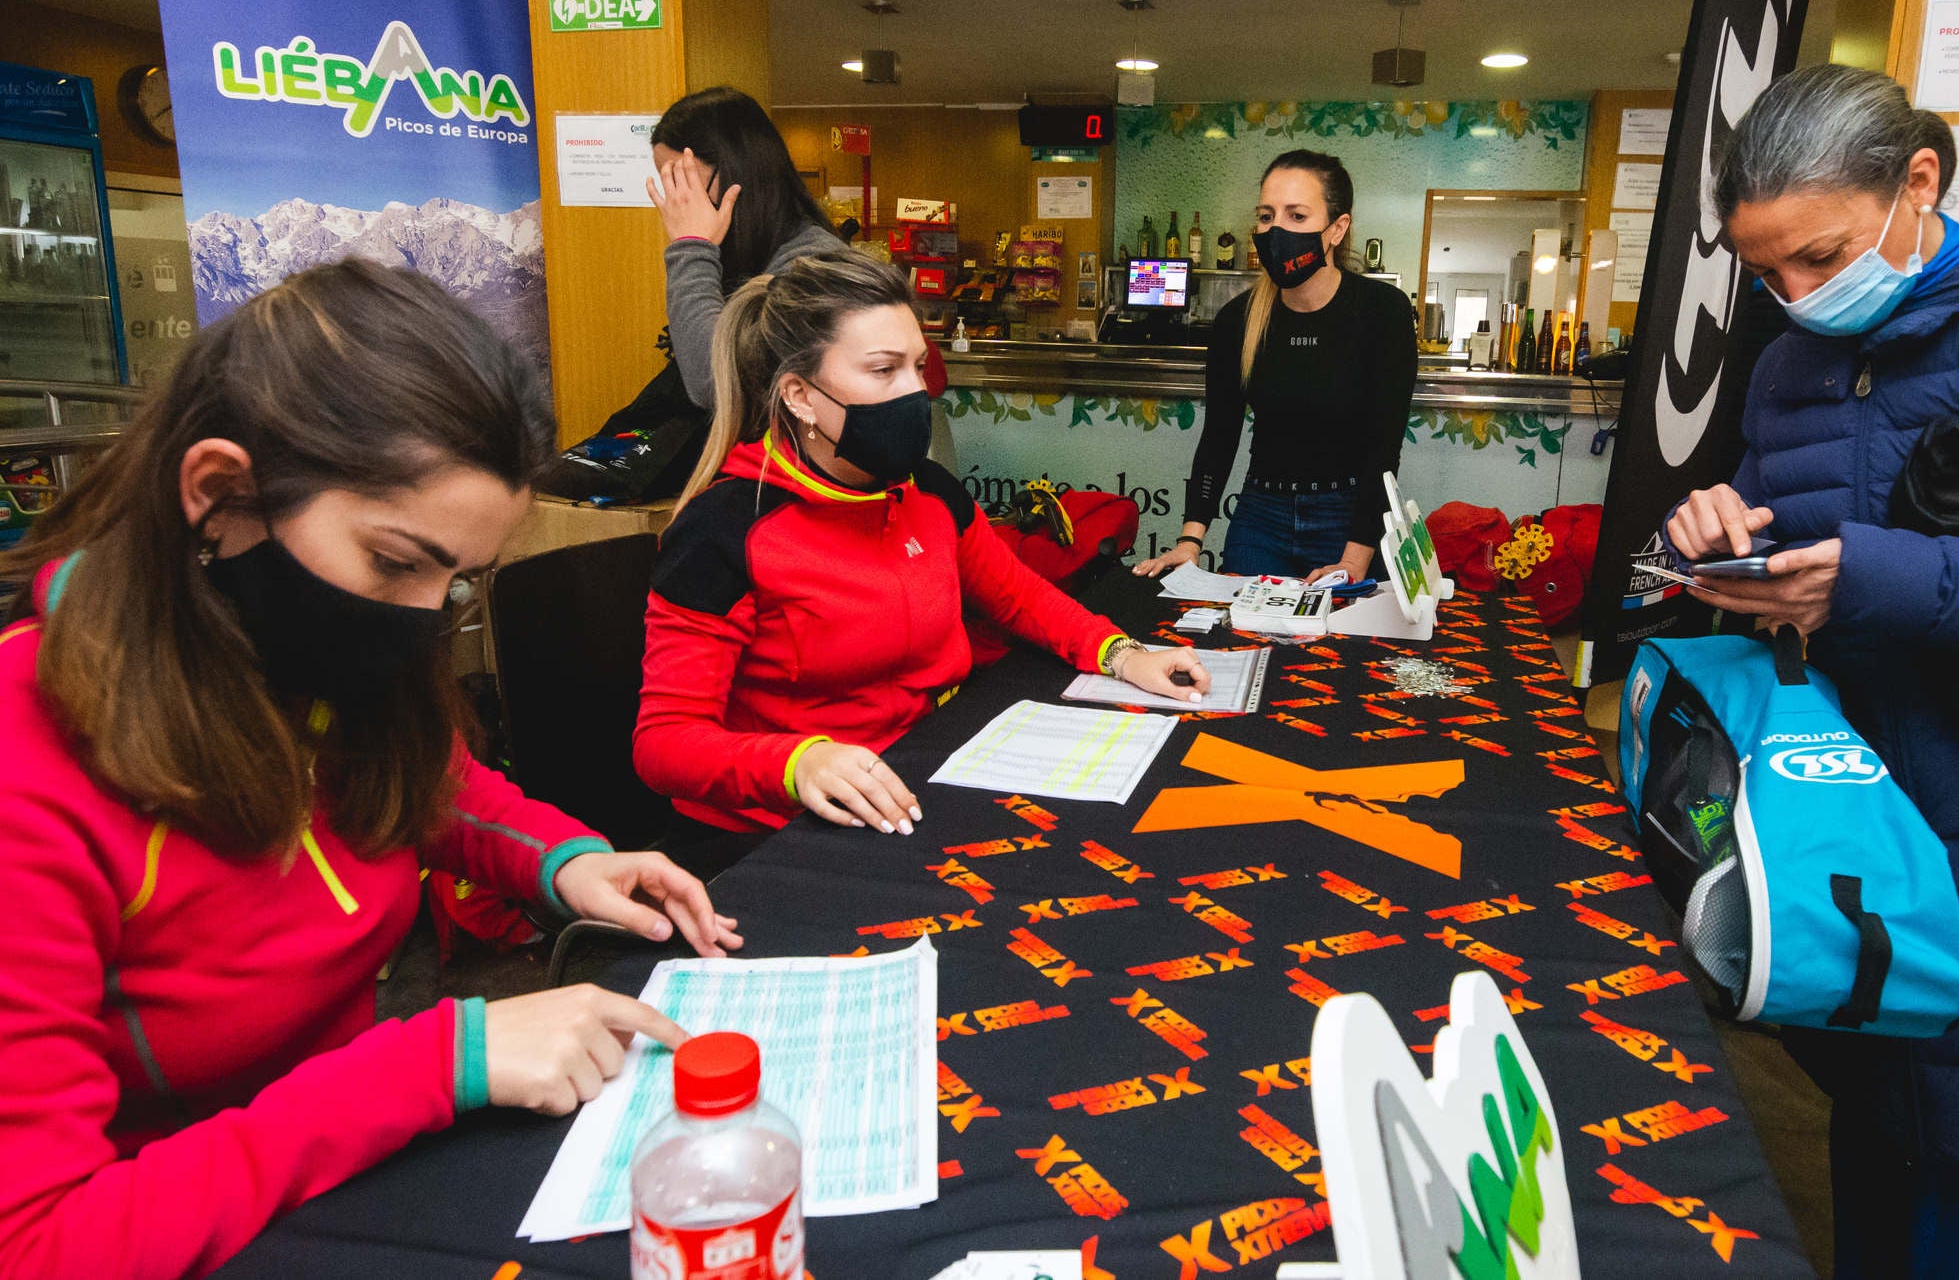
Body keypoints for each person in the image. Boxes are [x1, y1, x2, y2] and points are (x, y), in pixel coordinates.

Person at [0, 259, 743, 1279]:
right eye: (396, 562)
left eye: (455, 575)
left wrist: (562, 861)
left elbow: (425, 788)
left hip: (337, 1170)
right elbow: (40, 1242)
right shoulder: (25, 776)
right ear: (219, 493)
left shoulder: (299, 644)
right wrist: (427, 1064)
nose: (425, 614)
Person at [1666, 64, 1959, 1280]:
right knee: (1877, 1110)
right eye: (1765, 271)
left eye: (1820, 256)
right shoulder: (1786, 362)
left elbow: (1878, 562)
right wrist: (1720, 527)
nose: (1793, 295)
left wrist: (1870, 577)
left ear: (1916, 183)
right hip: (1843, 795)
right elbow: (1787, 513)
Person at [635, 251, 1208, 860]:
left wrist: (1120, 654)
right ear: (800, 396)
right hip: (776, 834)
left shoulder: (927, 489)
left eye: (917, 367)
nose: (916, 392)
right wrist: (799, 763)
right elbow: (665, 744)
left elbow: (1019, 597)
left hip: (919, 776)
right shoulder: (722, 532)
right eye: (884, 370)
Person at [1134, 150, 1418, 584]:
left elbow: (1384, 449)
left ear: (1336, 229)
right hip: (1260, 518)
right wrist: (1191, 540)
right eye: (1266, 217)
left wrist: (1354, 560)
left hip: (1349, 521)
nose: (1276, 230)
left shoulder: (1383, 312)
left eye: (1297, 216)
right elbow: (1219, 436)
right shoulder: (1238, 320)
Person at [643, 86, 843, 413]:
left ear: (737, 170)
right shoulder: (744, 253)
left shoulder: (815, 264)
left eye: (686, 183)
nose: (679, 203)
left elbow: (714, 384)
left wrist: (690, 248)